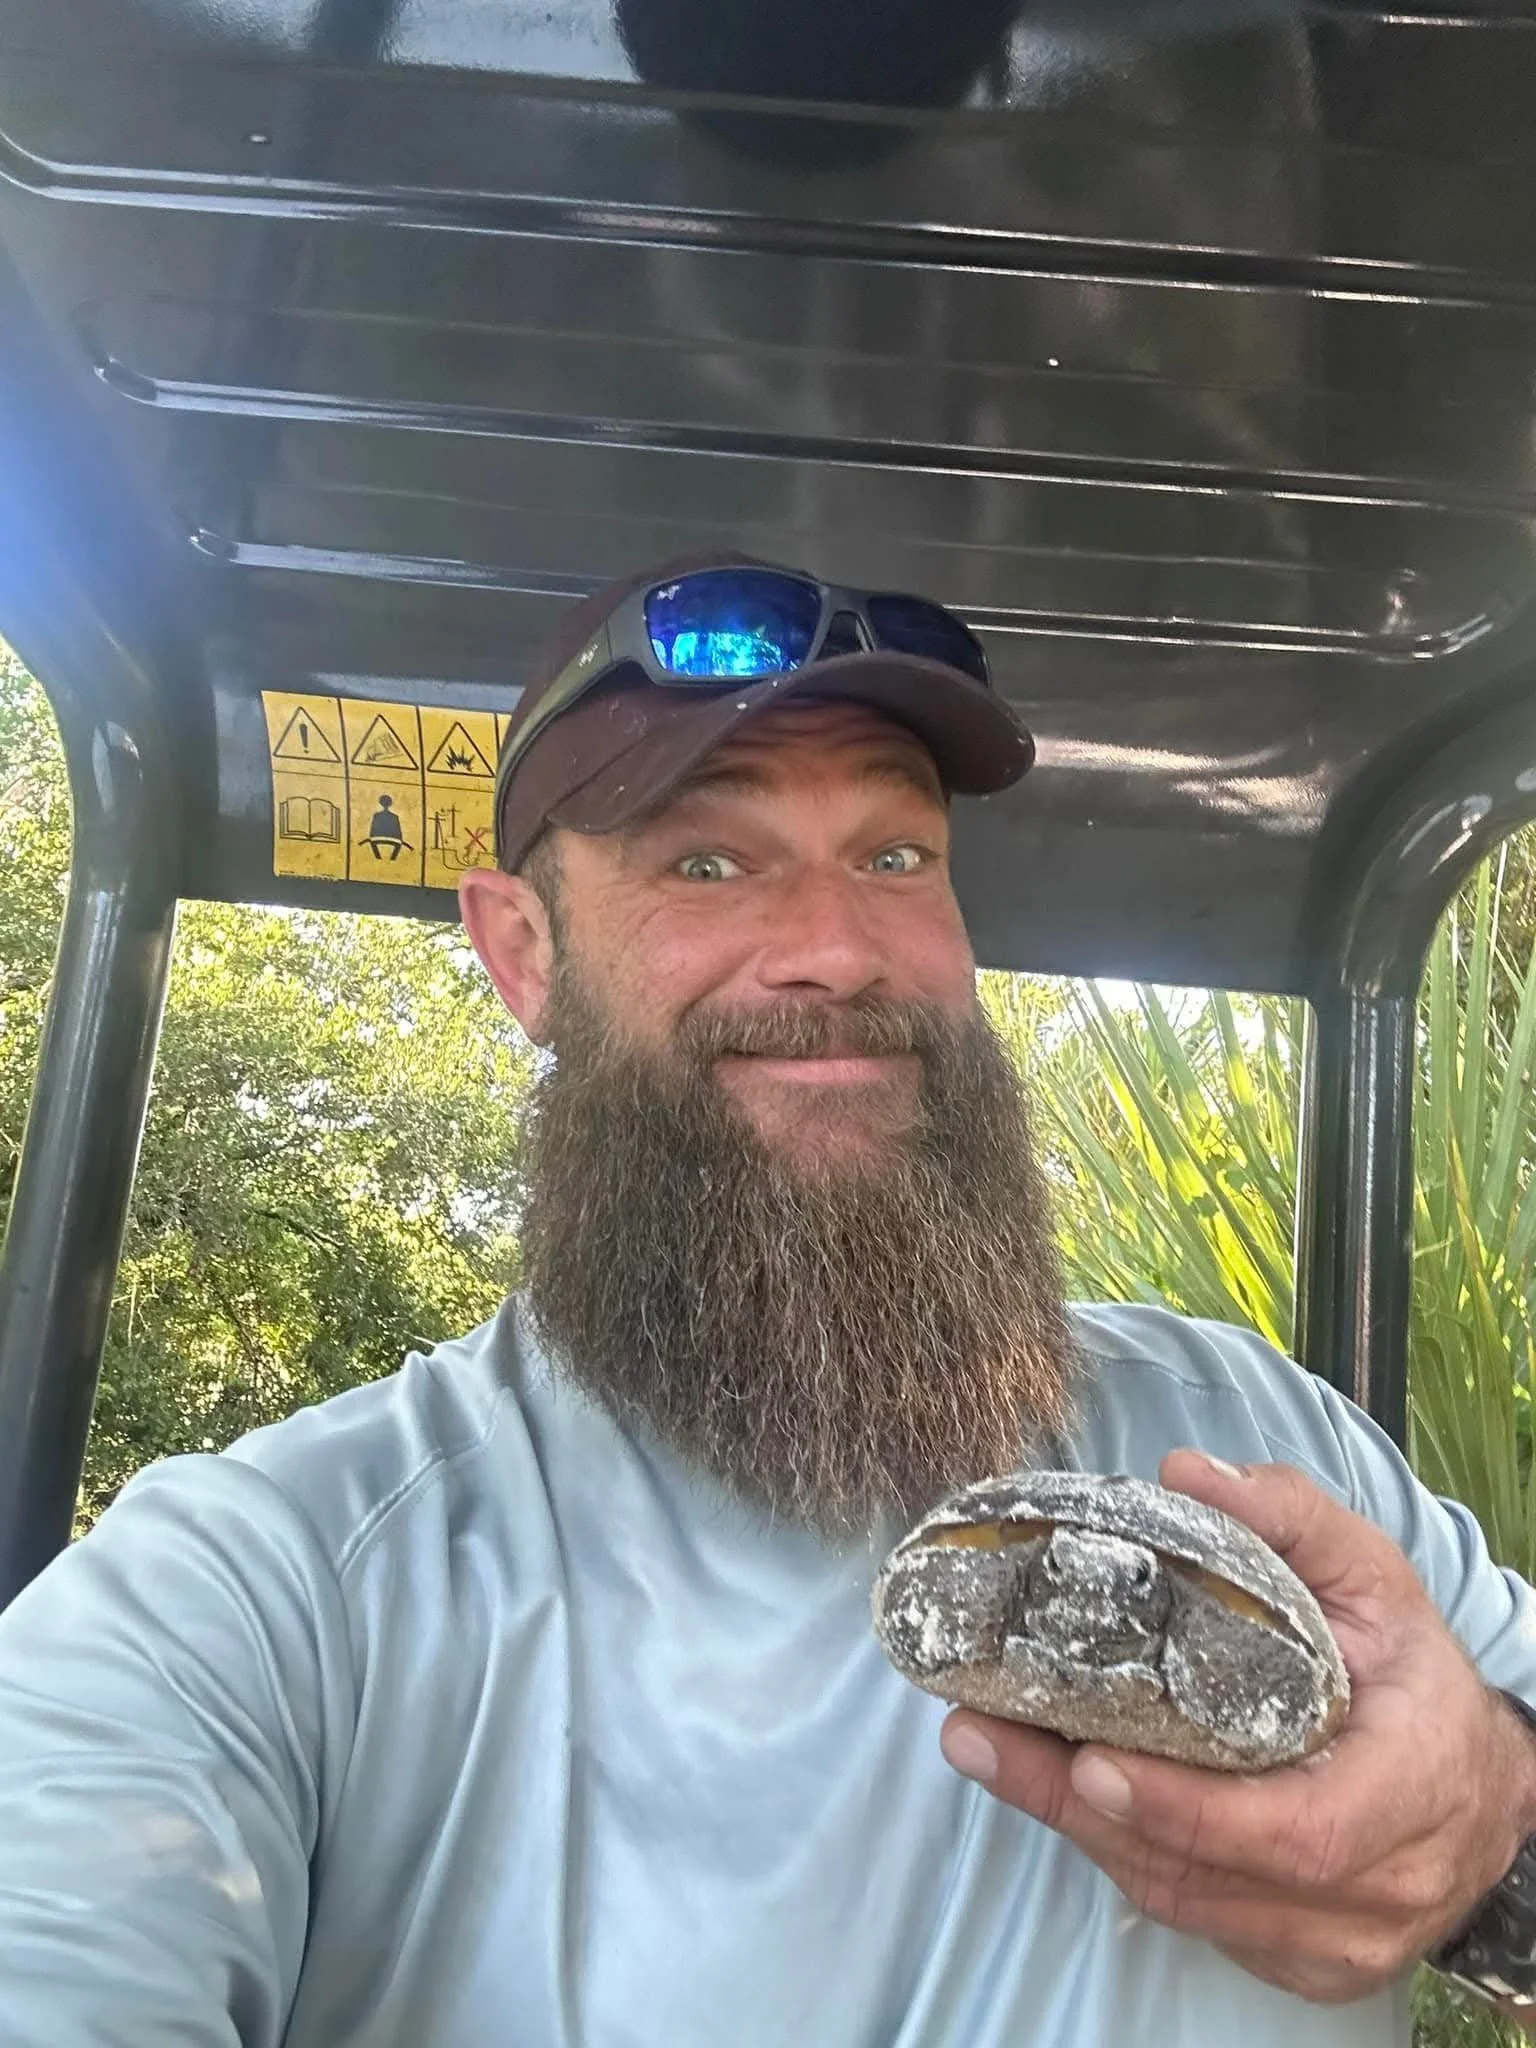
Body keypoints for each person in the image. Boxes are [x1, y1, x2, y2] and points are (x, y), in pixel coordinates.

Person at [0, 553, 1532, 2047]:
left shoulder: (1259, 1442)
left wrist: (1484, 1825)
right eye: (707, 862)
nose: (835, 950)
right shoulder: (272, 1596)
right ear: (523, 953)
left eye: (894, 856)